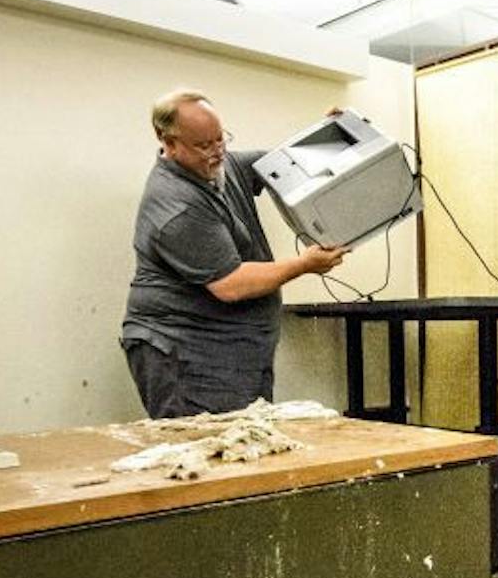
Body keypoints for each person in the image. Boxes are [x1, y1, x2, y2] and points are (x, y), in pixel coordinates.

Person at [121, 89, 347, 417]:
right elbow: (230, 284)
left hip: (236, 350)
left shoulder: (222, 166)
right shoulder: (176, 206)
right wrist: (304, 264)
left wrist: (329, 134)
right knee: (211, 451)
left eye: (220, 140)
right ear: (168, 143)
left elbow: (281, 163)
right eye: (203, 145)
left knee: (246, 442)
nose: (216, 152)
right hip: (188, 353)